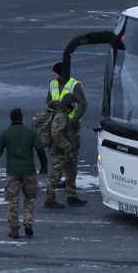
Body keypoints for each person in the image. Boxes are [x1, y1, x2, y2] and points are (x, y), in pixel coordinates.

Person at [0, 107, 48, 238]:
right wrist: (44, 165)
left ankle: (14, 230)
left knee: (13, 201)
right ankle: (28, 223)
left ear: (11, 118)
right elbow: (40, 149)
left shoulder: (6, 133)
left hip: (13, 172)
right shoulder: (30, 132)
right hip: (28, 171)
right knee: (30, 198)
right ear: (21, 118)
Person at [46, 62, 87, 193]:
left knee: (72, 154)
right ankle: (66, 181)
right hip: (58, 124)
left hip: (72, 127)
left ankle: (70, 182)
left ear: (62, 73)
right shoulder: (53, 84)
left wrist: (74, 120)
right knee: (60, 152)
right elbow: (48, 103)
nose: (53, 74)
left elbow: (82, 104)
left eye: (56, 72)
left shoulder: (75, 85)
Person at [43, 100, 85, 208]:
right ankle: (49, 200)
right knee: (55, 174)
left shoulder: (60, 115)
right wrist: (66, 145)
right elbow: (55, 133)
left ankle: (72, 196)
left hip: (64, 149)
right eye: (73, 103)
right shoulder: (61, 117)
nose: (75, 106)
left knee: (72, 169)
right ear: (69, 104)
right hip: (60, 150)